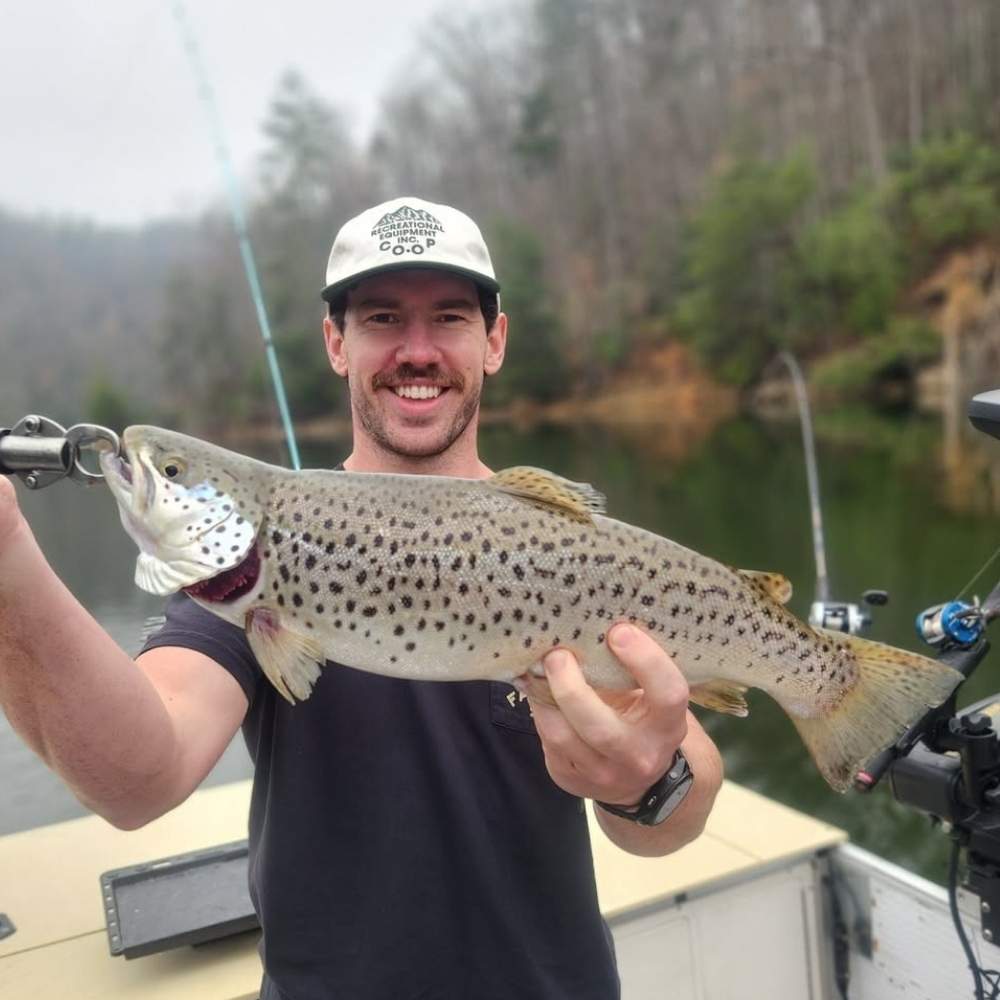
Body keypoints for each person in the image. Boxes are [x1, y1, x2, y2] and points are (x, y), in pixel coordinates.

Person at [0, 197, 723, 999]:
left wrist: (646, 788)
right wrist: (7, 557)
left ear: (495, 341)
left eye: (448, 317)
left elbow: (680, 810)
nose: (417, 350)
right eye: (382, 318)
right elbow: (139, 778)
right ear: (337, 344)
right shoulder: (240, 579)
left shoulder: (568, 551)